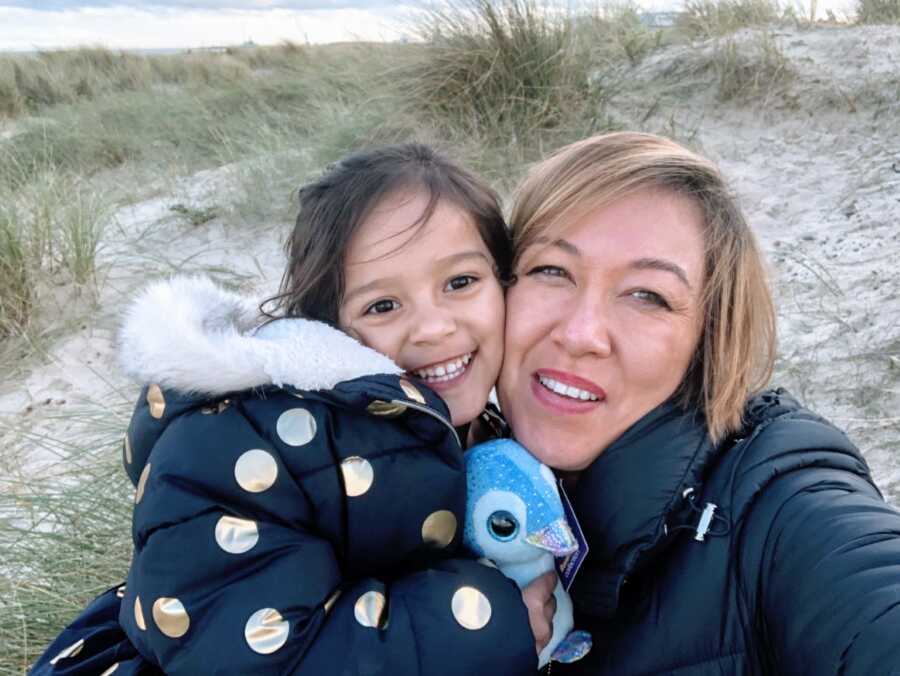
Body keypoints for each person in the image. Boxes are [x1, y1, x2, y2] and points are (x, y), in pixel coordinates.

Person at [31, 143, 537, 675]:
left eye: (461, 282)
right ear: (327, 324)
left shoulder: (454, 416)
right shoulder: (243, 440)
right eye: (382, 305)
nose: (435, 327)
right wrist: (497, 622)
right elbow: (266, 656)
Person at [498, 131, 900, 674]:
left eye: (647, 296)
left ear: (708, 337)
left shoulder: (780, 503)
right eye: (551, 271)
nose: (581, 333)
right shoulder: (428, 477)